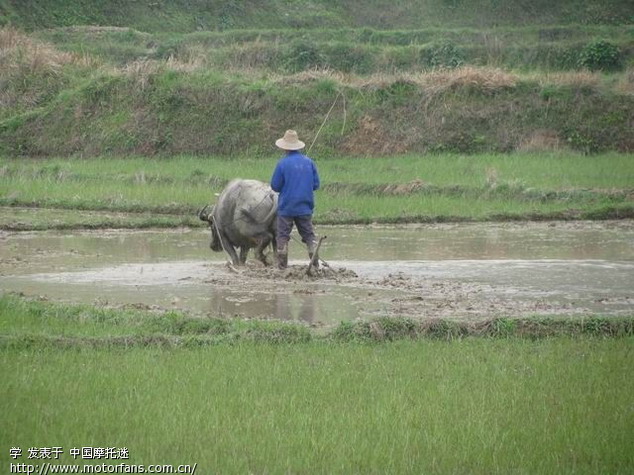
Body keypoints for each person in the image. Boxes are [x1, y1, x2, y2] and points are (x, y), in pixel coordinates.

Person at [270, 129, 320, 269]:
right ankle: (315, 264)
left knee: (283, 236)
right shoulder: (309, 162)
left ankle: (282, 267)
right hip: (305, 207)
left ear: (284, 147)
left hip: (287, 207)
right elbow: (316, 185)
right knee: (309, 235)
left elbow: (275, 186)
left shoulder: (282, 164)